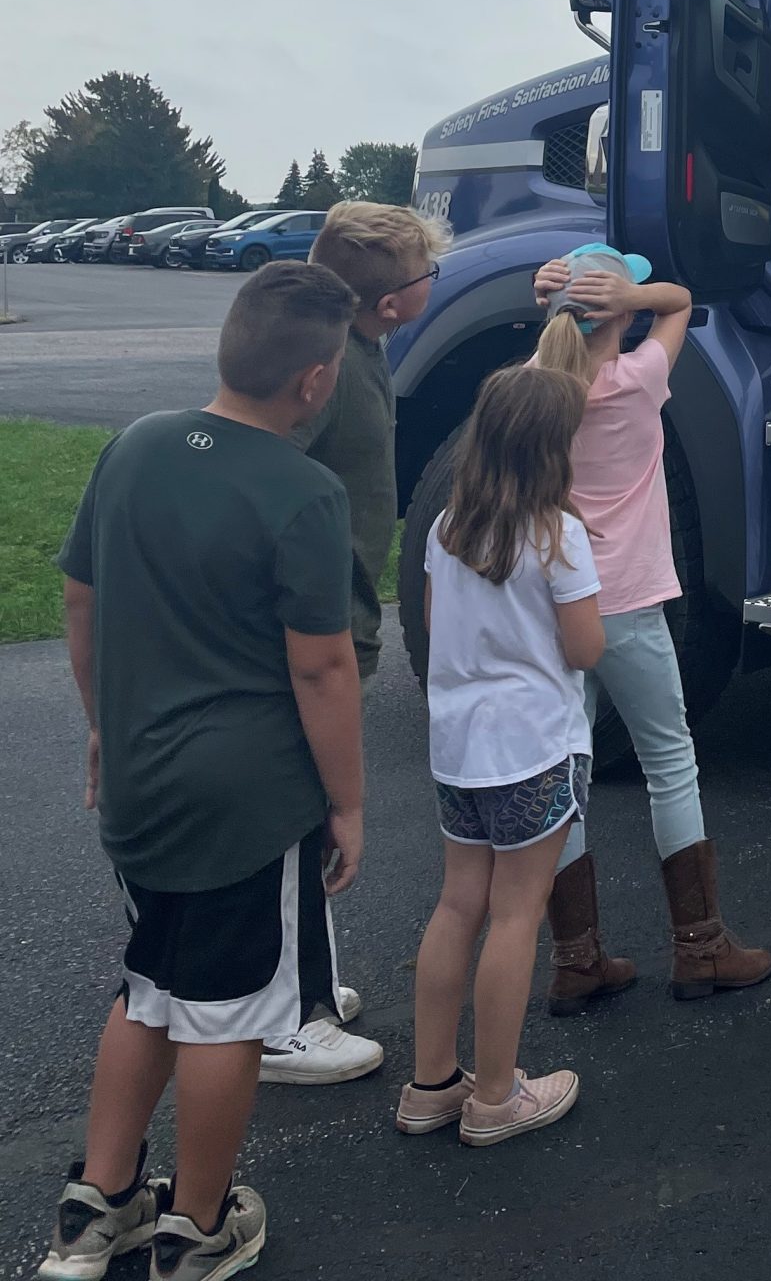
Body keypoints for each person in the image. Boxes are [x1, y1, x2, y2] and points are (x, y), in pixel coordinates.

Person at [43, 263, 364, 1281]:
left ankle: (96, 1206)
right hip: (244, 803)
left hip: (141, 778)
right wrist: (349, 802)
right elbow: (321, 666)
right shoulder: (307, 493)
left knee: (150, 982)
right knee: (230, 1013)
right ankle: (197, 1225)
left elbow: (82, 599)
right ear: (314, 380)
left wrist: (105, 725)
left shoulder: (135, 445)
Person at [530, 245, 771, 1006]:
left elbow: (568, 334)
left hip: (555, 605)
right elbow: (681, 302)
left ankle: (576, 958)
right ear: (619, 314)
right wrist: (637, 296)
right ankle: (701, 948)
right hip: (630, 603)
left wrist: (558, 295)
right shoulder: (639, 381)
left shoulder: (535, 388)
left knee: (567, 775)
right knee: (669, 761)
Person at [257, 201, 444, 1088]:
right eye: (429, 275)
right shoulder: (323, 372)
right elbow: (262, 471)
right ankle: (279, 1021)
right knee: (294, 821)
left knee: (304, 823)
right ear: (393, 303)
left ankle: (306, 985)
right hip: (308, 629)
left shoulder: (363, 348)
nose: (436, 283)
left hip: (339, 618)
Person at [398, 366, 601, 1148]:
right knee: (518, 915)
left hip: (458, 750)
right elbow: (584, 648)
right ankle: (494, 1098)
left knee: (458, 906)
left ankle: (431, 1084)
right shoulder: (559, 537)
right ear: (554, 449)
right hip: (533, 748)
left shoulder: (446, 529)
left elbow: (434, 624)